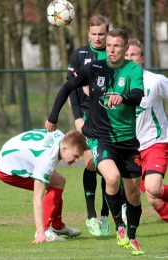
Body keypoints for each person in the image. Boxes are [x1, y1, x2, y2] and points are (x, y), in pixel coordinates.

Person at [45, 29, 145, 255]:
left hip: (127, 141)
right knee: (111, 177)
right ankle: (118, 225)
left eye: (117, 46)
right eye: (109, 45)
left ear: (125, 48)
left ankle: (132, 236)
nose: (111, 49)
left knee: (134, 194)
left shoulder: (132, 70)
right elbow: (68, 86)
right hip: (100, 137)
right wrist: (53, 116)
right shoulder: (94, 67)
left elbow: (138, 95)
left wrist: (124, 98)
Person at [0, 129, 88, 243]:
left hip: (11, 154)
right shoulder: (47, 159)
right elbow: (37, 198)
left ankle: (57, 226)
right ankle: (44, 231)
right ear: (64, 148)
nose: (77, 160)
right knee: (57, 182)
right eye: (75, 156)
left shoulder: (61, 138)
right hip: (7, 170)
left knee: (58, 182)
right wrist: (40, 233)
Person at [68, 14, 111, 237]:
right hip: (87, 118)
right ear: (88, 34)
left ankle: (105, 213)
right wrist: (77, 117)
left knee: (109, 167)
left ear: (107, 33)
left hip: (110, 118)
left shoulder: (114, 54)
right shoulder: (79, 55)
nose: (97, 38)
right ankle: (91, 216)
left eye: (101, 34)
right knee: (92, 161)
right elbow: (71, 89)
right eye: (93, 34)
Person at [125, 39, 168, 224]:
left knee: (154, 188)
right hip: (132, 148)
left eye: (133, 55)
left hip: (156, 142)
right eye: (125, 55)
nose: (129, 58)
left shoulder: (155, 81)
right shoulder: (116, 84)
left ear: (142, 59)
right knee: (153, 198)